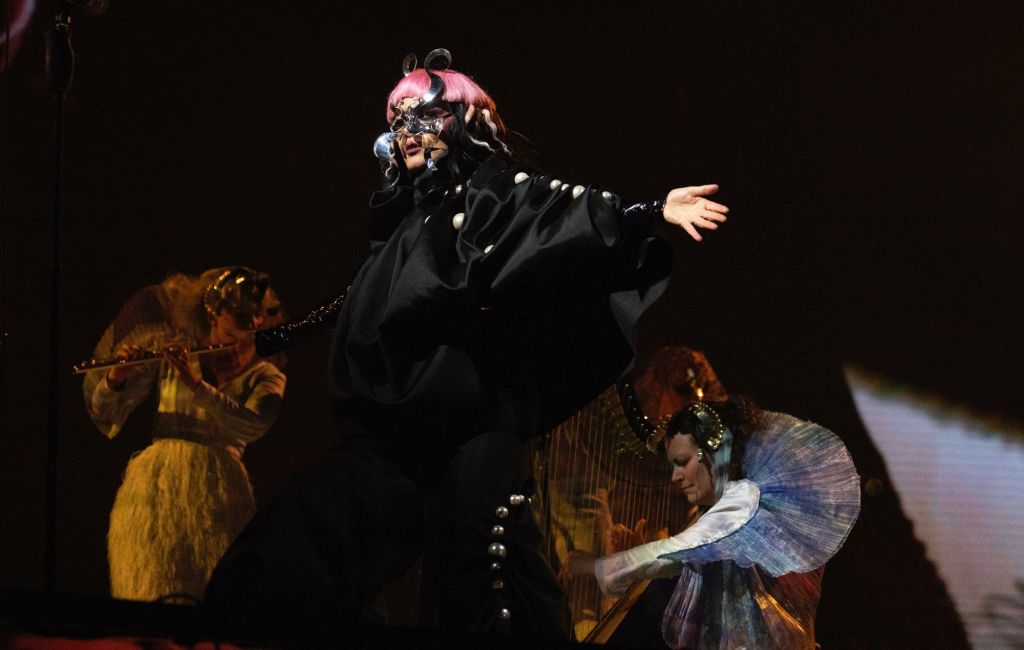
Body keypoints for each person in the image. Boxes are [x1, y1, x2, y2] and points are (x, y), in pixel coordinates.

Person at [204, 49, 729, 639]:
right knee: (307, 532)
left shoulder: (490, 194)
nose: (406, 132)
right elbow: (352, 298)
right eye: (396, 119)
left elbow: (561, 208)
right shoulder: (406, 225)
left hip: (475, 426)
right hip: (402, 433)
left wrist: (650, 211)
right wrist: (270, 339)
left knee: (484, 564)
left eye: (421, 116)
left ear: (458, 122)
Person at [563, 398, 861, 649]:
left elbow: (682, 549)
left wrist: (593, 565)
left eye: (682, 461)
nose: (675, 476)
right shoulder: (736, 505)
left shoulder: (745, 498)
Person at [83, 267, 286, 602]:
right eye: (239, 317)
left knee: (215, 593)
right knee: (153, 585)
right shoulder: (178, 351)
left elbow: (253, 424)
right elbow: (107, 411)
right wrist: (118, 376)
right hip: (157, 488)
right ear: (214, 312)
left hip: (220, 492)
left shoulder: (264, 374)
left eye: (255, 318)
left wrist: (195, 385)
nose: (248, 327)